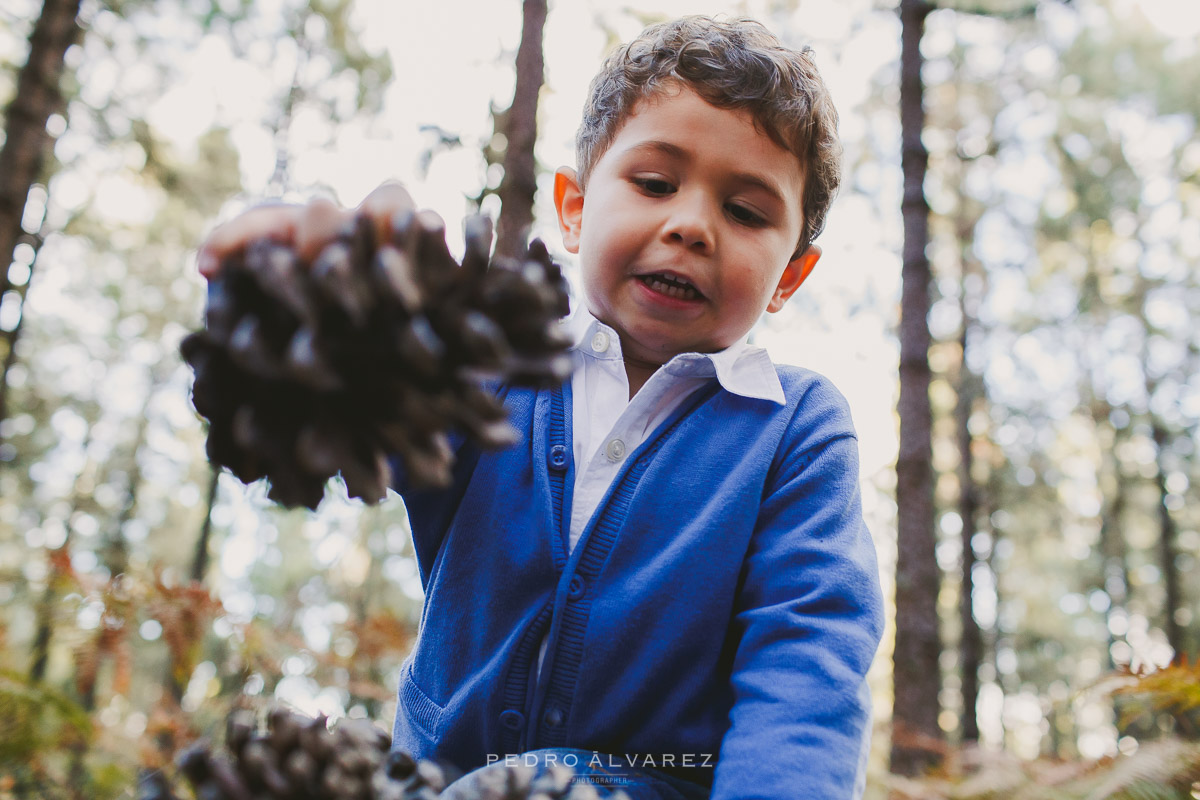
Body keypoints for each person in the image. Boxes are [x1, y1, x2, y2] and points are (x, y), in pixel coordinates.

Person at [197, 16, 883, 800]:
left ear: (790, 276)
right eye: (655, 184)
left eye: (748, 212)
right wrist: (295, 291)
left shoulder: (795, 428)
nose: (692, 225)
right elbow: (337, 404)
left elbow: (807, 659)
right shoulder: (487, 364)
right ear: (574, 209)